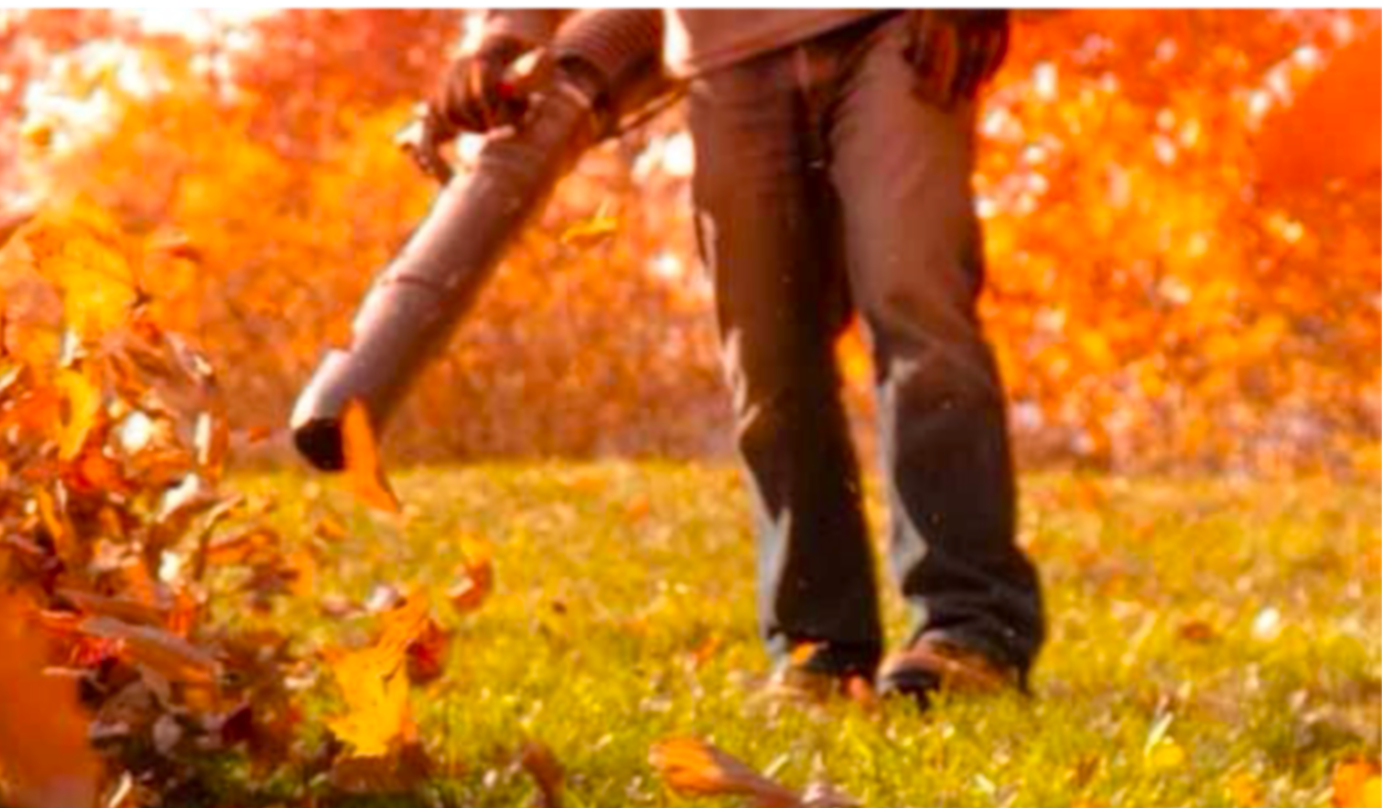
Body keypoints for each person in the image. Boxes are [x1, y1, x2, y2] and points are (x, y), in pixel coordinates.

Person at [432, 5, 1046, 702]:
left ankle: (969, 628)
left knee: (916, 301)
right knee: (768, 355)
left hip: (895, 28)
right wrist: (500, 39)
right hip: (726, 56)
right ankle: (819, 646)